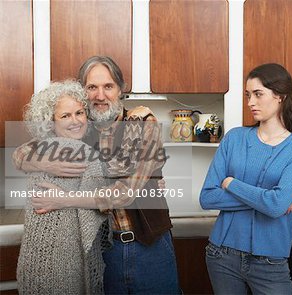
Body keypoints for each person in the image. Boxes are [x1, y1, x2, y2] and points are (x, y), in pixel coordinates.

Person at [13, 56, 180, 294]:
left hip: (149, 248)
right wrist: (43, 161)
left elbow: (125, 193)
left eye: (108, 86)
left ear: (120, 90)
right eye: (92, 87)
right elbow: (22, 152)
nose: (100, 96)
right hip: (104, 251)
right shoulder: (79, 126)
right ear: (83, 91)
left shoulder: (141, 122)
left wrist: (64, 200)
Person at [200, 63, 292, 294]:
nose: (250, 102)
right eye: (248, 95)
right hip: (222, 254)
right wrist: (269, 200)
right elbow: (208, 198)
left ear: (280, 96)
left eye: (258, 94)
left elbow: (276, 206)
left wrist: (232, 184)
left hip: (270, 260)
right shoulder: (235, 139)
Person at [16, 80, 110, 294]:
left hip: (34, 261)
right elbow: (105, 206)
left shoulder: (37, 149)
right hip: (65, 266)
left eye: (79, 113)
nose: (75, 121)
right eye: (65, 116)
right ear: (50, 122)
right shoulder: (85, 154)